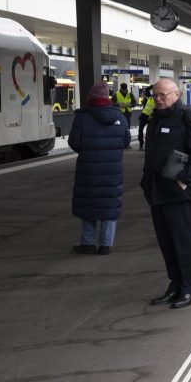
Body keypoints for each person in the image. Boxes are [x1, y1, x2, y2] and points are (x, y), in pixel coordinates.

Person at [141, 79, 191, 309]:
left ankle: (190, 286)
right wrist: (146, 182)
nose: (158, 99)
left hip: (180, 194)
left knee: (184, 241)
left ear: (177, 94)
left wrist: (185, 178)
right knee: (167, 242)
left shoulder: (188, 118)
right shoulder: (155, 119)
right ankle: (176, 283)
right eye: (155, 95)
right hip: (157, 192)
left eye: (163, 95)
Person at [68, 82, 130, 255]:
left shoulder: (82, 117)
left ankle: (87, 242)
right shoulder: (119, 117)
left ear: (90, 97)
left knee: (88, 203)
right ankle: (105, 244)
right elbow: (125, 142)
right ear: (107, 98)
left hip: (88, 169)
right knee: (109, 205)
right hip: (112, 170)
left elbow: (74, 143)